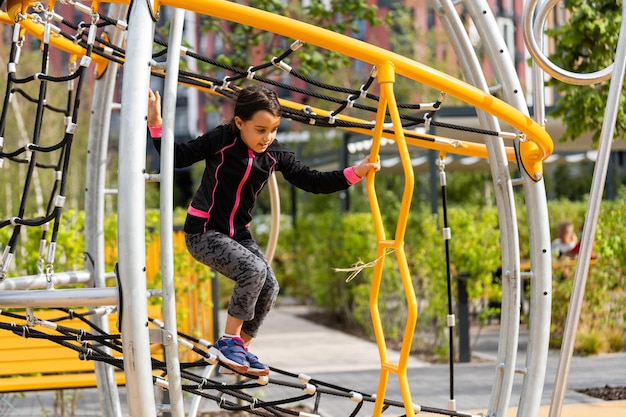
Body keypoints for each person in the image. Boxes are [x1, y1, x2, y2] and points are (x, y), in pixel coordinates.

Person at [147, 85, 380, 376]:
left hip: (238, 233)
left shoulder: (274, 154)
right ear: (240, 123)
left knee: (270, 286)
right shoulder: (221, 140)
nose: (267, 137)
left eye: (273, 129)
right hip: (203, 231)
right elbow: (178, 157)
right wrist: (155, 123)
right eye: (260, 130)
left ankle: (237, 354)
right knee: (254, 270)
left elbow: (312, 181)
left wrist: (355, 173)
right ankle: (228, 341)